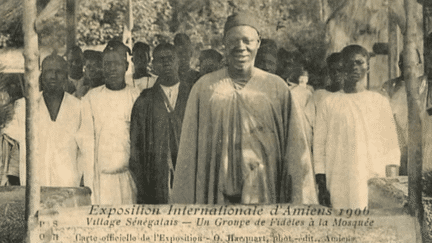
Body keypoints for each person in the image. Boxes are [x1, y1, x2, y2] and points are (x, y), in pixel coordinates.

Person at [171, 12, 318, 205]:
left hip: (264, 190)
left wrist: (301, 199)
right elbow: (189, 153)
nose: (241, 47)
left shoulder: (276, 88)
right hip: (216, 193)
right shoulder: (205, 88)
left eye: (247, 40)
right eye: (233, 41)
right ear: (224, 43)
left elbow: (295, 150)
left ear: (258, 42)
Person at [313, 45, 400, 209]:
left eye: (359, 62)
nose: (354, 67)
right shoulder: (328, 103)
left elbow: (391, 148)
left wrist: (392, 185)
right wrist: (322, 186)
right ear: (342, 66)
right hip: (339, 183)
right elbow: (319, 148)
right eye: (349, 63)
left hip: (374, 183)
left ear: (368, 66)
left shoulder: (379, 102)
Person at [2, 53, 94, 188]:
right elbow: (11, 141)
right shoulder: (24, 106)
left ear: (66, 75)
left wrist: (83, 183)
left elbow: (86, 152)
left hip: (68, 187)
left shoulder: (79, 107)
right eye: (49, 71)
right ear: (41, 74)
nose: (53, 76)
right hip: (34, 188)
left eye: (58, 72)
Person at [130, 43, 192, 204]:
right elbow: (136, 149)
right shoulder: (145, 100)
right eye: (160, 60)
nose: (166, 63)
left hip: (188, 176)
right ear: (153, 65)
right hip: (156, 180)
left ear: (178, 61)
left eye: (170, 58)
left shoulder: (193, 94)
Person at [82, 40, 139, 205]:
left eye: (116, 63)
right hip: (101, 182)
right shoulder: (91, 99)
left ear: (126, 66)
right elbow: (87, 145)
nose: (112, 68)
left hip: (129, 180)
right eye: (107, 64)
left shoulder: (136, 97)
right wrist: (90, 184)